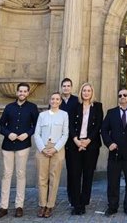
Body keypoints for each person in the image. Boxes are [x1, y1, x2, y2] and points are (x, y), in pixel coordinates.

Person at [0, 82, 39, 219]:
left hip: (23, 145)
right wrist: (9, 134)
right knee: (6, 174)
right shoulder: (9, 107)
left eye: (25, 91)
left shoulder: (32, 107)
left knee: (21, 174)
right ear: (17, 92)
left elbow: (37, 125)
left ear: (28, 93)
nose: (22, 93)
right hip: (8, 145)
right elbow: (1, 125)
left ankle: (19, 206)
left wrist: (27, 134)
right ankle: (3, 206)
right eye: (20, 91)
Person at [101, 88, 127, 216]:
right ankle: (112, 207)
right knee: (113, 182)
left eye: (125, 95)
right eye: (120, 95)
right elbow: (104, 130)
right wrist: (109, 143)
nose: (122, 97)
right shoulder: (111, 112)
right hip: (115, 153)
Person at [67, 82, 103, 215]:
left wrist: (87, 141)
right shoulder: (74, 106)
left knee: (88, 175)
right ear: (81, 93)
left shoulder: (98, 106)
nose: (86, 93)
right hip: (75, 145)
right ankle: (76, 204)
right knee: (75, 175)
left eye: (88, 91)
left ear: (92, 92)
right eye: (84, 91)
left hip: (91, 145)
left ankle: (84, 203)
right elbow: (70, 125)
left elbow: (98, 125)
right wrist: (77, 141)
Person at [35, 92, 69, 218]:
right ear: (49, 101)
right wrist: (43, 148)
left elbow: (65, 134)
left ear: (60, 101)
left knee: (54, 178)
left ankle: (50, 206)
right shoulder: (42, 115)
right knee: (42, 178)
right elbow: (37, 133)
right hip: (42, 148)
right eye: (53, 99)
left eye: (57, 99)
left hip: (57, 149)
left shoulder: (64, 115)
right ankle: (42, 204)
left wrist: (55, 148)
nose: (55, 101)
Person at [57, 78, 78, 206]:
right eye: (64, 86)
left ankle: (72, 197)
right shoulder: (56, 100)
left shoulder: (76, 100)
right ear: (61, 87)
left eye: (68, 86)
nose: (66, 88)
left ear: (71, 87)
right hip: (58, 138)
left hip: (72, 139)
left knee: (72, 169)